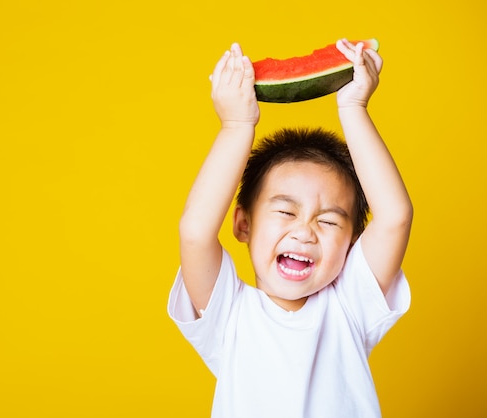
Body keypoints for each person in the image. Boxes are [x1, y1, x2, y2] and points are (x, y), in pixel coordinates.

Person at [167, 39, 413, 418]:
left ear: (352, 245)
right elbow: (196, 232)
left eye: (329, 220)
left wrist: (354, 107)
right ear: (244, 224)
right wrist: (235, 126)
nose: (305, 232)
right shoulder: (229, 316)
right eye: (285, 212)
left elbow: (395, 216)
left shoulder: (350, 306)